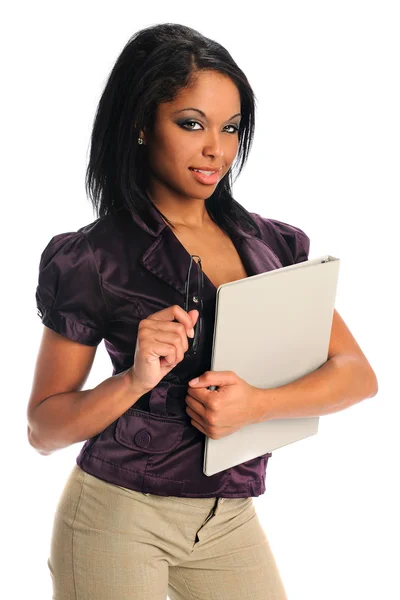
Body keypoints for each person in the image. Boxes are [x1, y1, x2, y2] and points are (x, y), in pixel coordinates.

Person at [27, 23, 378, 600]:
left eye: (231, 127)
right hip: (119, 514)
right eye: (191, 124)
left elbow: (357, 375)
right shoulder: (92, 257)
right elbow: (43, 428)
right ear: (141, 124)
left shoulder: (272, 247)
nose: (216, 148)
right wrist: (135, 380)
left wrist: (260, 404)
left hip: (227, 517)